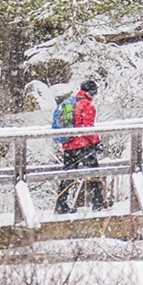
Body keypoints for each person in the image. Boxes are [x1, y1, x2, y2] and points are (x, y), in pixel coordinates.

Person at [55, 79, 107, 214]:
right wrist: (96, 143)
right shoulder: (87, 105)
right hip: (83, 146)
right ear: (92, 91)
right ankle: (97, 202)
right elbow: (87, 128)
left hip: (68, 144)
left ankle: (61, 204)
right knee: (94, 173)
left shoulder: (70, 103)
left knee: (68, 175)